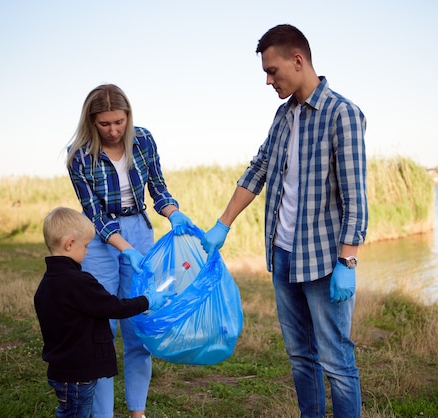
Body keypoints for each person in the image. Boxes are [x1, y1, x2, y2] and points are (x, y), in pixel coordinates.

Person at [201, 24, 368, 417]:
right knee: (299, 357)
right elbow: (259, 169)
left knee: (337, 361)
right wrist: (222, 224)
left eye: (272, 70)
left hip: (324, 261)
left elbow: (355, 197)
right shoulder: (283, 115)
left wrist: (348, 262)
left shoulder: (342, 114)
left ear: (298, 60)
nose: (268, 80)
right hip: (283, 255)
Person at [66, 84, 194, 418]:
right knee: (102, 327)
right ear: (91, 122)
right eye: (104, 124)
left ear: (128, 117)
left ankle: (137, 412)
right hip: (96, 238)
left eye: (119, 122)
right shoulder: (78, 154)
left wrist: (173, 212)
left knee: (138, 321)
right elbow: (92, 212)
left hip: (138, 229)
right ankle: (103, 413)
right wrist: (124, 249)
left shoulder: (144, 140)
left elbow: (158, 188)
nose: (113, 130)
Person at [34, 206, 174, 418]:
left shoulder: (46, 284)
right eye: (86, 246)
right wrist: (147, 301)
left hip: (59, 371)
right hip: (79, 374)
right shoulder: (80, 283)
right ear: (70, 244)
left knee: (69, 411)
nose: (88, 252)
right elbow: (113, 307)